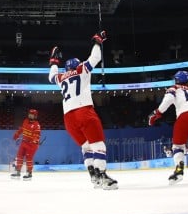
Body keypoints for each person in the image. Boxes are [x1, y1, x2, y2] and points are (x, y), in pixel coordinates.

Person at [49, 30, 118, 189]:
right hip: (84, 112)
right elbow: (96, 58)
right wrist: (97, 41)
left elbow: (51, 76)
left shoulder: (61, 78)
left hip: (68, 118)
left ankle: (93, 176)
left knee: (86, 146)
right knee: (99, 146)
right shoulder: (81, 69)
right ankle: (103, 177)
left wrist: (53, 61)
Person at [147, 71, 188, 184]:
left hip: (184, 116)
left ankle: (178, 171)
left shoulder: (174, 88)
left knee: (178, 145)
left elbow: (168, 101)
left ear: (176, 80)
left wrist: (157, 113)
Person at [11, 108, 42, 180]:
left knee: (29, 158)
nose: (30, 116)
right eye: (29, 114)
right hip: (24, 142)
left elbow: (37, 134)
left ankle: (29, 173)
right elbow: (22, 129)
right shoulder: (25, 121)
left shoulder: (36, 125)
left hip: (32, 145)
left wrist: (34, 140)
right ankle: (17, 172)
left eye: (32, 115)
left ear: (35, 116)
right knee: (19, 156)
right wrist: (17, 134)